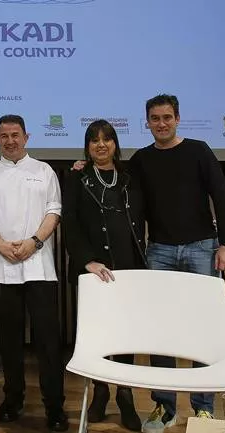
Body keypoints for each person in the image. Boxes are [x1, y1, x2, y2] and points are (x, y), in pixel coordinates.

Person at [129, 94, 225, 431]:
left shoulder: (199, 150)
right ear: (146, 122)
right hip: (159, 251)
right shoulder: (141, 159)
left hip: (202, 248)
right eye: (154, 118)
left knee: (203, 329)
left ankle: (203, 407)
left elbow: (221, 195)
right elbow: (119, 188)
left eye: (167, 117)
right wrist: (82, 167)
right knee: (161, 331)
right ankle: (164, 407)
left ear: (177, 118)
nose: (161, 123)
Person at [0, 114, 69, 432]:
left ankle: (55, 407)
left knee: (48, 343)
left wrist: (34, 242)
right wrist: (0, 245)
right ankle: (12, 399)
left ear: (27, 136)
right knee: (8, 341)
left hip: (40, 267)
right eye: (4, 136)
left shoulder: (44, 171)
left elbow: (54, 210)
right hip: (1, 269)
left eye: (15, 134)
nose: (10, 140)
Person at [62, 120, 146, 431]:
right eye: (94, 140)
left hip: (128, 268)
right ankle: (100, 392)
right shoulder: (77, 177)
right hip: (93, 272)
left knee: (125, 337)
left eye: (106, 139)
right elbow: (69, 223)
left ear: (115, 144)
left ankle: (125, 396)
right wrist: (87, 261)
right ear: (86, 146)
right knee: (96, 337)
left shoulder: (130, 178)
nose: (101, 145)